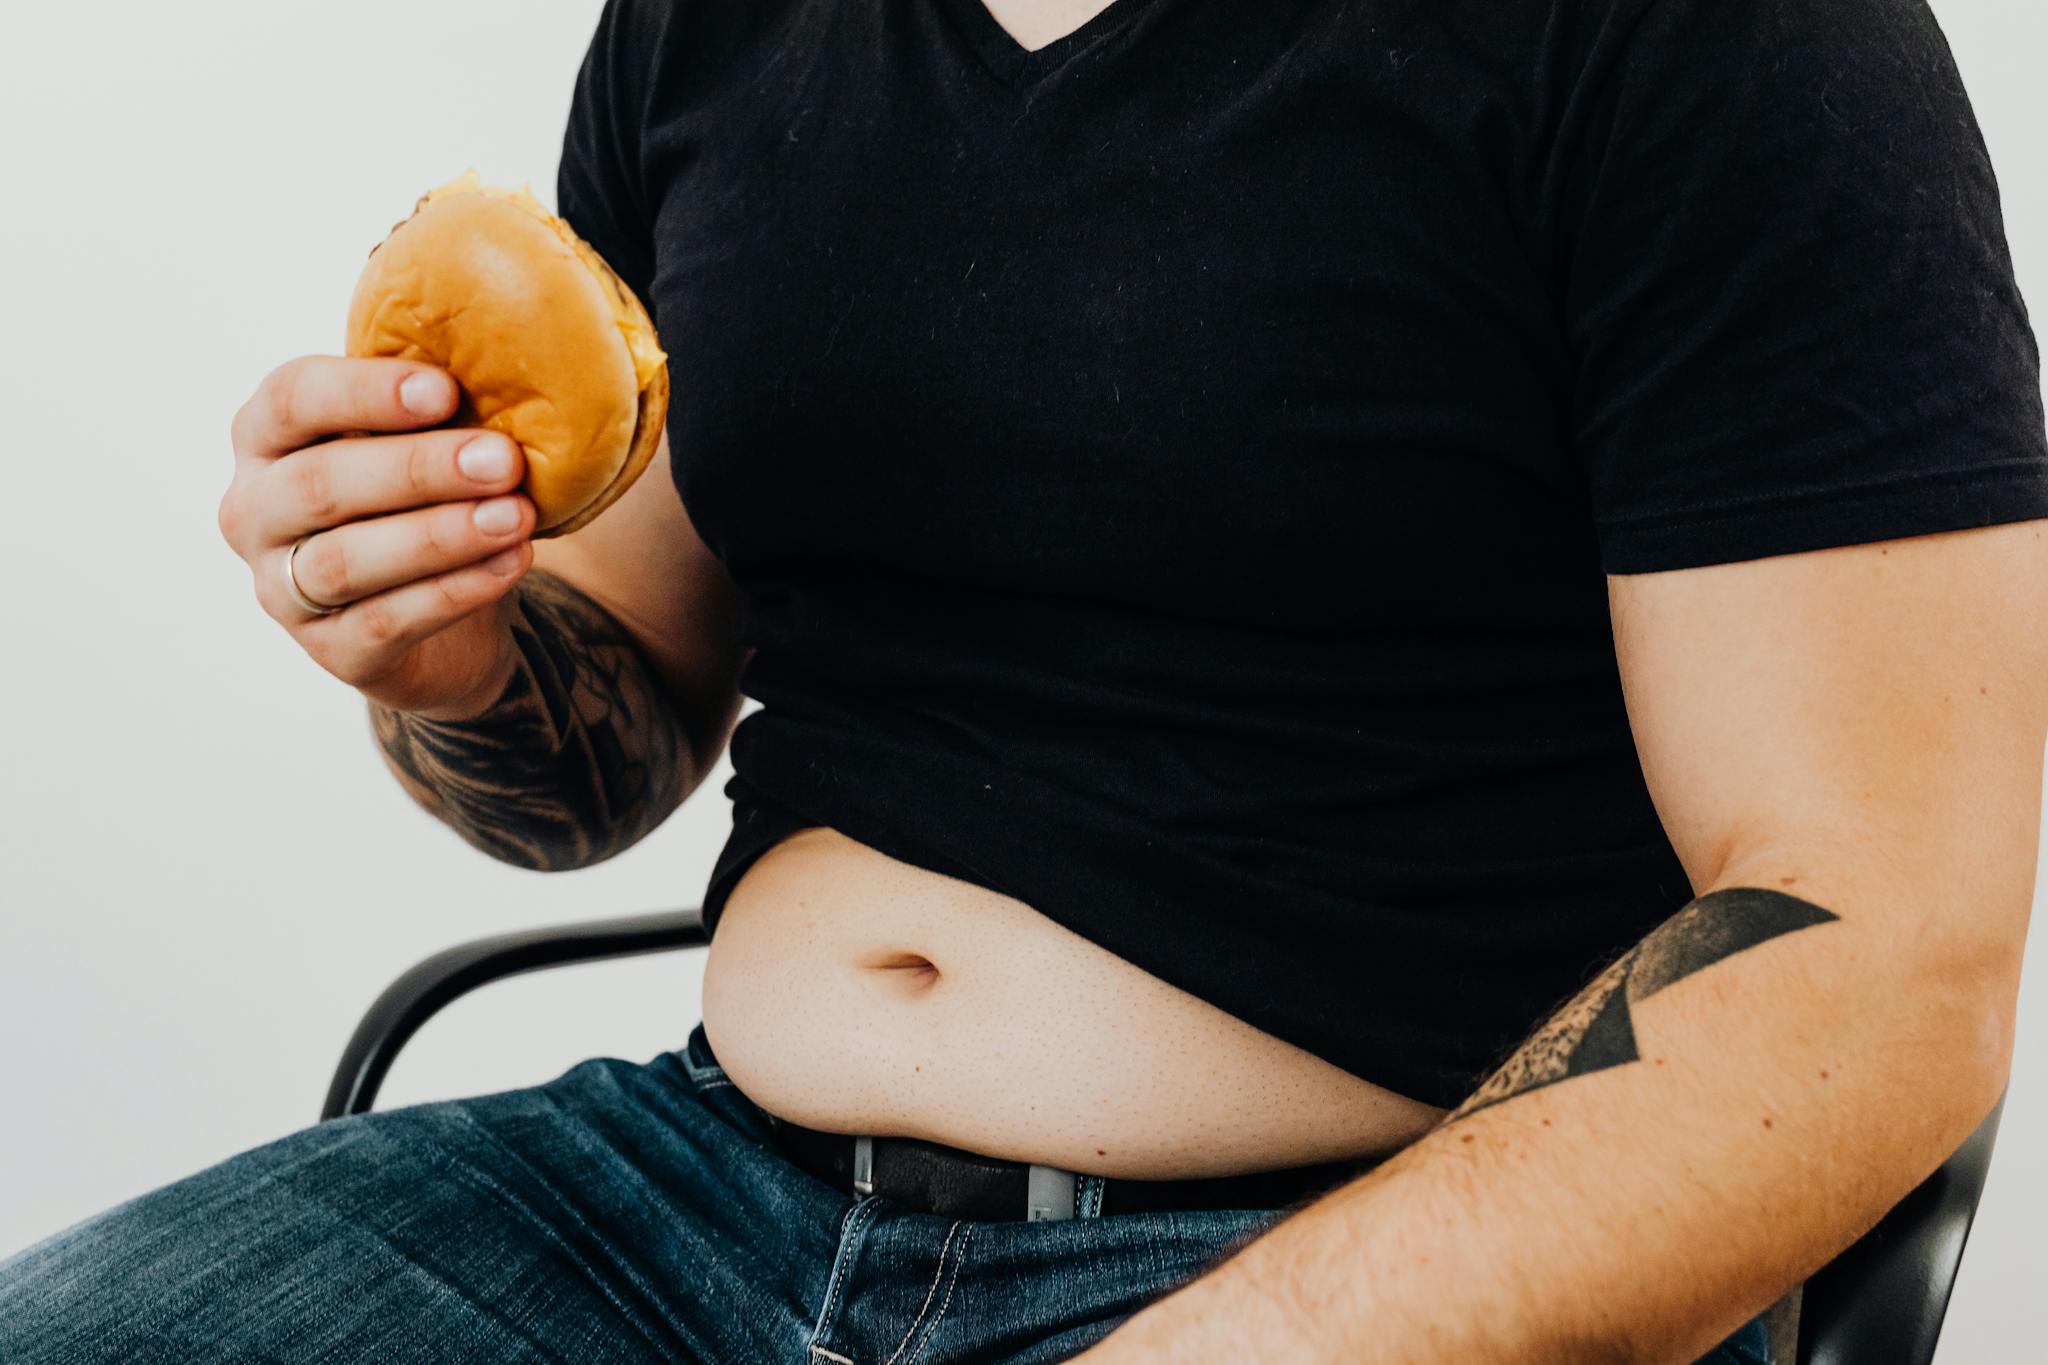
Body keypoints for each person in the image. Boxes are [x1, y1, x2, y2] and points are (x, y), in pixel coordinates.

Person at [7, 0, 2047, 1360]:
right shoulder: (721, 27)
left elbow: (1878, 949)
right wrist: (444, 650)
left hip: (1341, 1266)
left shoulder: (1713, 43)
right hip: (685, 1194)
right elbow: (598, 718)